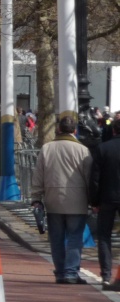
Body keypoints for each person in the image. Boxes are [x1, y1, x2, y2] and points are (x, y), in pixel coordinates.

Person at [31, 115, 93, 284]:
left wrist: (36, 198)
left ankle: (60, 271)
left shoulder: (47, 148)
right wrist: (92, 200)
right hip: (77, 201)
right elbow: (89, 177)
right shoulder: (83, 150)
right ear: (74, 130)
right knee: (75, 237)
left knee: (56, 238)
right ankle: (71, 272)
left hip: (53, 199)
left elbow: (38, 175)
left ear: (58, 129)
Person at [90, 124, 120, 289]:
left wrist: (94, 201)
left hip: (107, 198)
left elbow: (95, 178)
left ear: (114, 130)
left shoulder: (103, 148)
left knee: (104, 236)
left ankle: (106, 275)